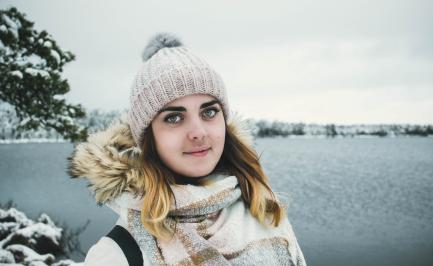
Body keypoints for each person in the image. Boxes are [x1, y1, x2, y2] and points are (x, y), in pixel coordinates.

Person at [68, 32, 306, 266]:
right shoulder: (119, 254)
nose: (198, 132)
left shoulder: (264, 211)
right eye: (173, 118)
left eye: (209, 112)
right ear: (148, 137)